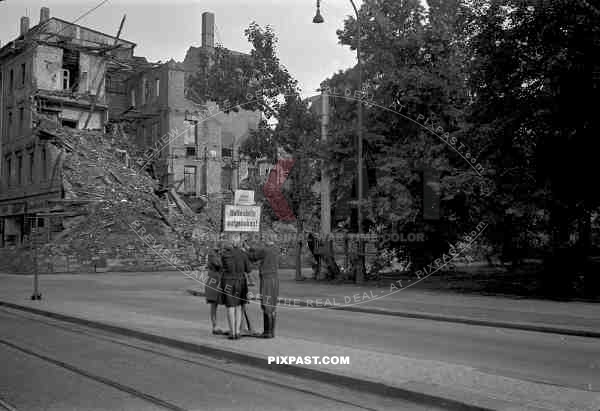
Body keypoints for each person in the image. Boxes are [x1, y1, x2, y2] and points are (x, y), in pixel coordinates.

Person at [220, 234, 251, 340]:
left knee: (230, 306)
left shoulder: (224, 254)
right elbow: (249, 269)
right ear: (238, 242)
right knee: (239, 306)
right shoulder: (243, 253)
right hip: (241, 282)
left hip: (228, 281)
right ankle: (237, 331)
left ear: (230, 242)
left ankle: (232, 332)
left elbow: (222, 267)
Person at [247, 240, 280, 338]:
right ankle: (271, 331)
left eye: (265, 239)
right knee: (272, 303)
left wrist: (245, 251)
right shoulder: (275, 248)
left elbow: (253, 257)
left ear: (267, 240)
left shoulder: (265, 250)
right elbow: (259, 251)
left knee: (266, 303)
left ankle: (267, 332)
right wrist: (251, 248)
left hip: (266, 278)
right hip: (275, 278)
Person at [206, 242, 226, 335]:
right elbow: (218, 264)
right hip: (213, 280)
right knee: (214, 303)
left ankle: (233, 325)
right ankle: (215, 326)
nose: (219, 247)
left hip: (220, 280)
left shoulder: (219, 254)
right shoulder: (212, 254)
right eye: (217, 246)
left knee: (227, 303)